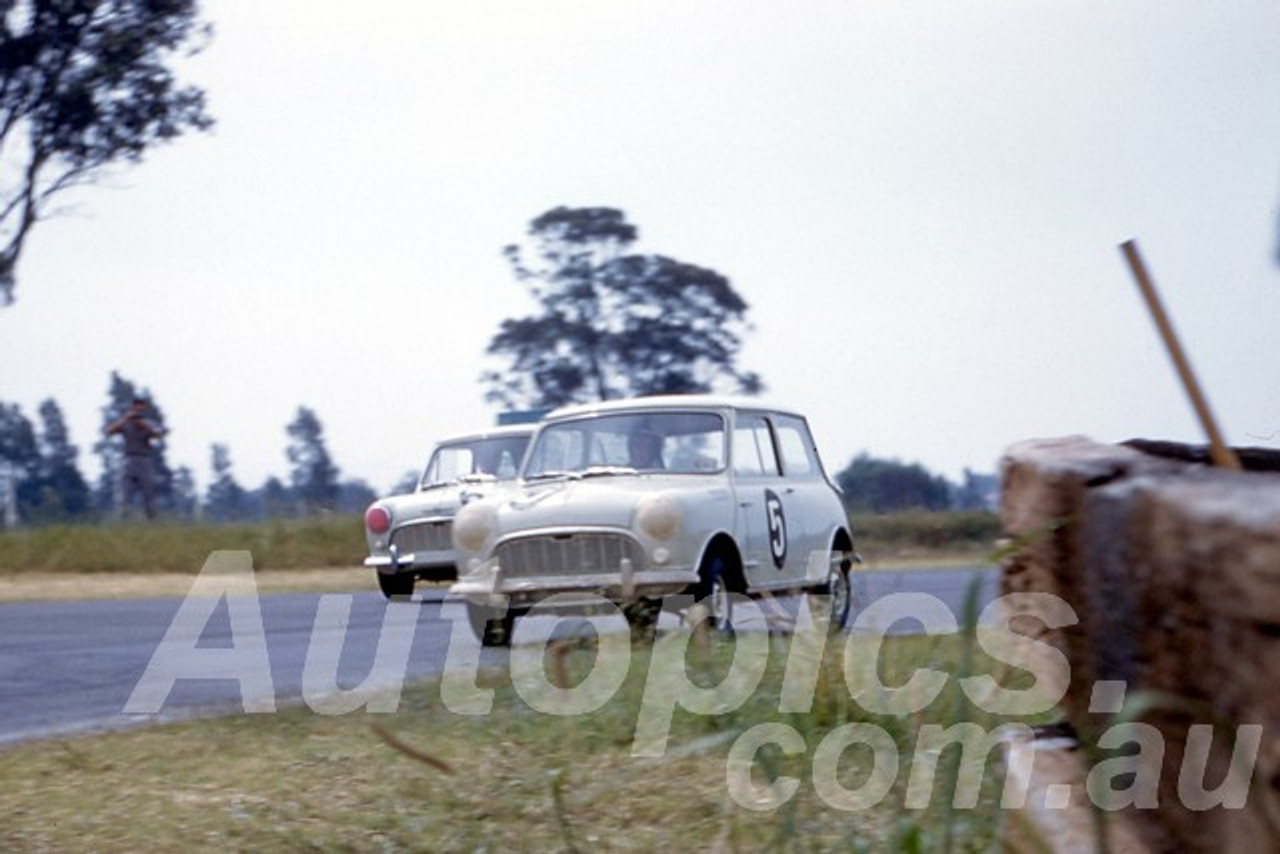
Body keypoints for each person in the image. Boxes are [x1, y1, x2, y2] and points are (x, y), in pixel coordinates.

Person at [103, 397, 165, 519]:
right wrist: (125, 419)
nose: (138, 407)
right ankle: (123, 519)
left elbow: (157, 434)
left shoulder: (149, 423)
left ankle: (152, 519)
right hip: (129, 460)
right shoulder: (125, 423)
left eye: (140, 405)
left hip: (144, 460)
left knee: (149, 493)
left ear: (144, 407)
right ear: (132, 406)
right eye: (136, 405)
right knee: (125, 493)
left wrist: (141, 424)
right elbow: (108, 431)